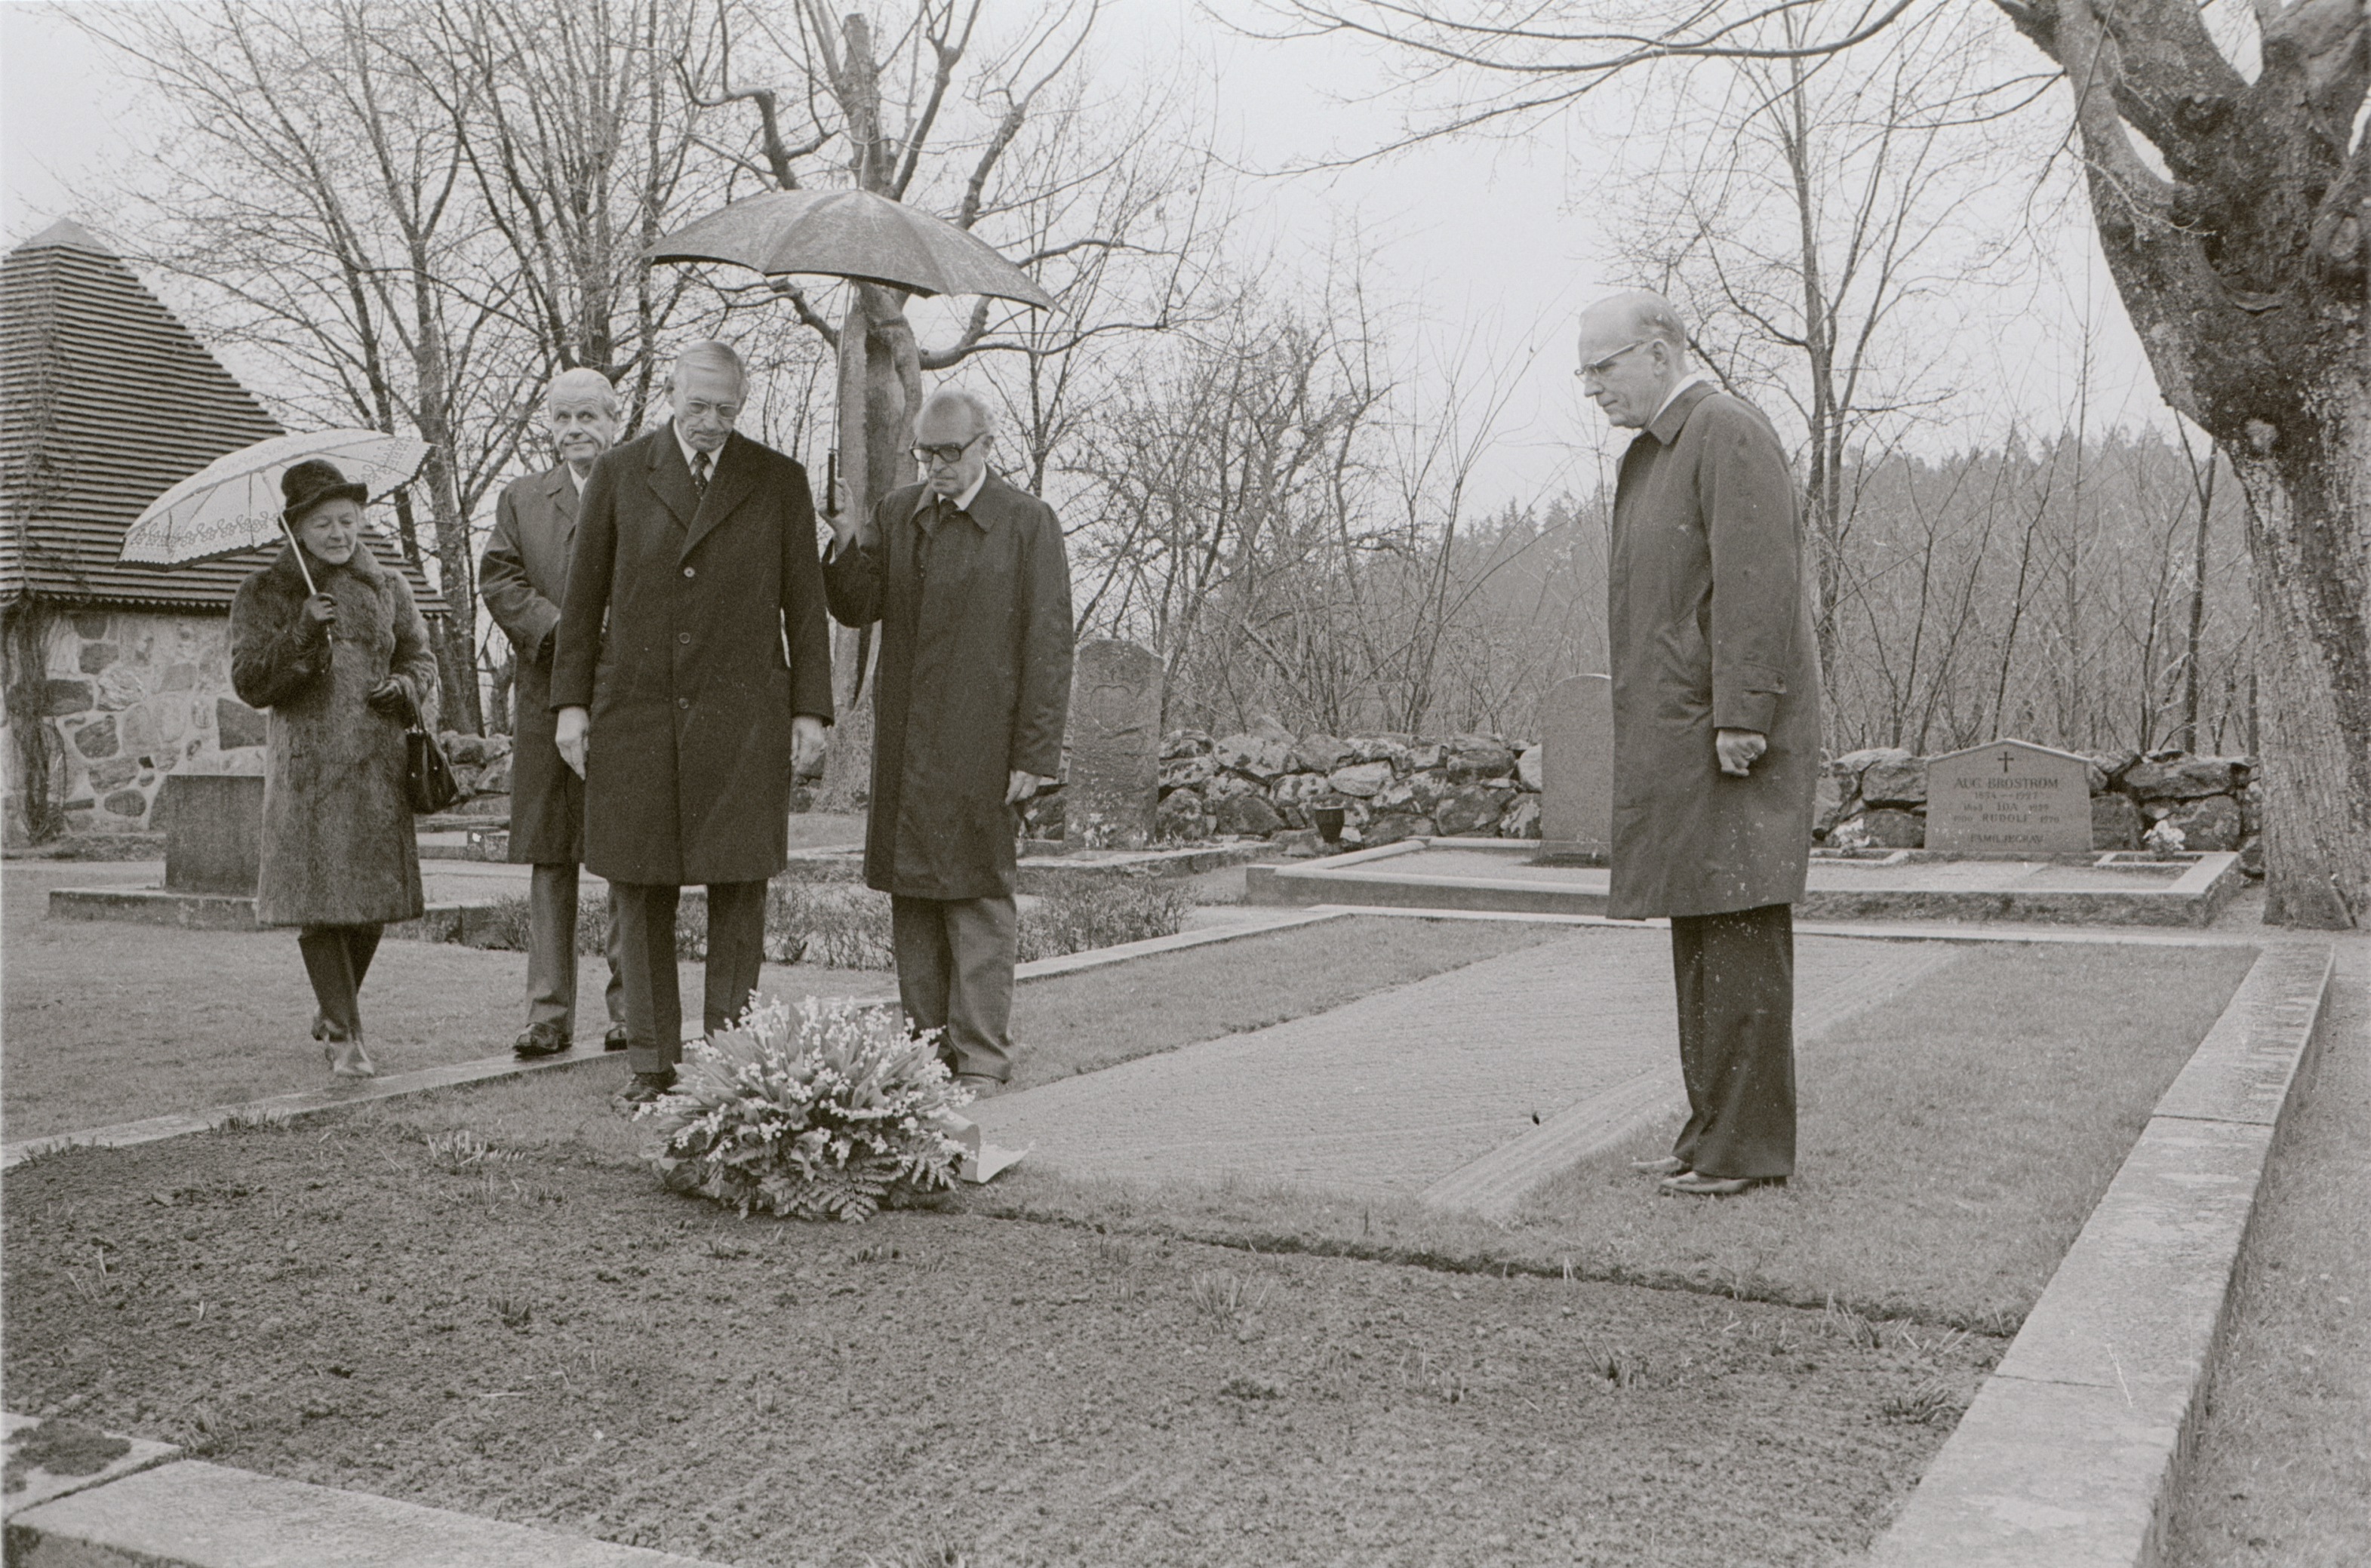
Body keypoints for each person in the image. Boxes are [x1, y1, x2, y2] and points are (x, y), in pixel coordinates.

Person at [1576, 290, 1821, 1197]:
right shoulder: (1652, 456)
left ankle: (1744, 1149)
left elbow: (1758, 585)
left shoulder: (1725, 431)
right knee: (1702, 935)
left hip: (1728, 740)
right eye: (1585, 372)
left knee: (1742, 933)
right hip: (1685, 737)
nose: (1591, 388)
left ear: (1661, 351)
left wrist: (1744, 716)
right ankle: (1708, 1133)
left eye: (1603, 367)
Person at [549, 341, 833, 1104]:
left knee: (739, 886)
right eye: (698, 405)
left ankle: (732, 1056)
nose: (711, 422)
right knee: (639, 888)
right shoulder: (617, 473)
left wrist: (810, 709)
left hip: (742, 717)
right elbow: (581, 603)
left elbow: (804, 605)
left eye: (726, 409)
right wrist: (571, 705)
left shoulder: (778, 480)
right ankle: (651, 1063)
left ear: (743, 403)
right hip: (636, 711)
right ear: (671, 392)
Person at [822, 386, 1073, 1097]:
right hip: (907, 740)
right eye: (925, 453)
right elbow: (857, 604)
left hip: (984, 741)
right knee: (913, 897)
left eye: (950, 453)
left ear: (987, 445)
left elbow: (1049, 646)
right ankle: (924, 1054)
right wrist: (844, 535)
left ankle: (984, 1059)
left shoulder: (1027, 523)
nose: (936, 466)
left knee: (979, 898)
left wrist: (1035, 754)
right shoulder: (897, 515)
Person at [230, 459, 442, 1080]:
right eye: (323, 523)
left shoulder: (389, 586)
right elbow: (249, 682)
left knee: (372, 904)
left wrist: (405, 685)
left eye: (348, 520)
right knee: (321, 903)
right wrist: (301, 631)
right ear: (296, 528)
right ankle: (347, 1039)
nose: (339, 534)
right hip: (309, 773)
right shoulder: (266, 592)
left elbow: (421, 656)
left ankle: (332, 1010)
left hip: (377, 766)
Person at [480, 368, 630, 1059]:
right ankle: (547, 1014)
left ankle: (632, 1007)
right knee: (550, 857)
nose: (575, 431)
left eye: (587, 418)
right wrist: (565, 633)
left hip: (625, 697)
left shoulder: (641, 489)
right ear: (549, 425)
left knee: (628, 853)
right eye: (563, 418)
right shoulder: (519, 499)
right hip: (544, 700)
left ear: (613, 419)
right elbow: (500, 581)